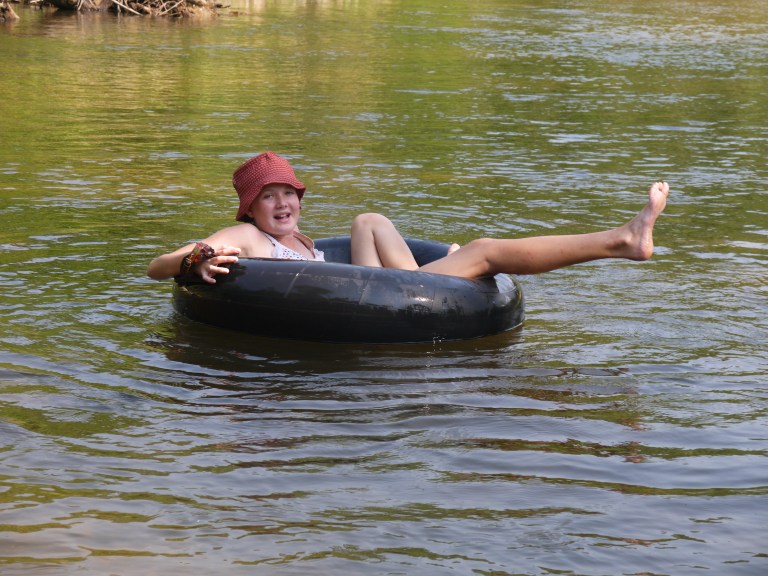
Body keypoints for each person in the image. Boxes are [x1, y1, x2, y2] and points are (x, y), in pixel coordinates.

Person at [146, 151, 668, 283]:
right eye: (269, 197)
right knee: (484, 249)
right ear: (250, 208)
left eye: (289, 193)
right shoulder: (247, 238)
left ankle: (447, 270)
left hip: (381, 292)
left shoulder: (307, 243)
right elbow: (157, 265)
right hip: (364, 304)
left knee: (368, 219)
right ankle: (621, 240)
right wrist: (195, 258)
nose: (282, 204)